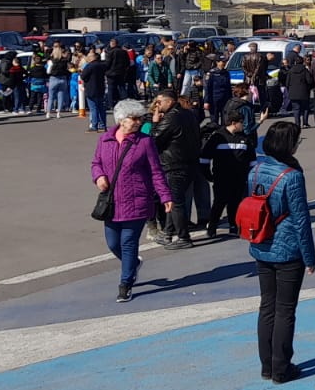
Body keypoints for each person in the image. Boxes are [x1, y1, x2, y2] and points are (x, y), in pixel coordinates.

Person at [248, 119, 315, 381]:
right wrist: (309, 257)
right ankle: (281, 366)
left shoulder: (255, 170)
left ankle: (267, 365)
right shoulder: (292, 176)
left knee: (267, 305)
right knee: (285, 309)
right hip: (287, 249)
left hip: (261, 244)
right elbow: (301, 220)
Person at [91, 99, 173, 303]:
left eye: (139, 118)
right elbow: (96, 163)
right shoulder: (105, 140)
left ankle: (125, 283)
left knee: (128, 243)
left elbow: (156, 171)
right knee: (113, 243)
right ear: (121, 120)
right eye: (133, 119)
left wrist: (165, 195)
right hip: (112, 202)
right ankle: (133, 264)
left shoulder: (144, 142)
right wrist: (99, 176)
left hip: (137, 201)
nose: (138, 122)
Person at [150, 90, 202, 250]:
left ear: (170, 101)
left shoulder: (171, 117)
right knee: (174, 200)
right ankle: (168, 232)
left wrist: (155, 123)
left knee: (175, 201)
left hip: (174, 164)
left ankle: (183, 237)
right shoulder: (189, 114)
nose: (157, 105)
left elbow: (154, 140)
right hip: (189, 162)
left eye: (160, 102)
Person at [201, 114, 254, 238]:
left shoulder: (244, 138)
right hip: (221, 178)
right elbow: (205, 158)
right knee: (219, 202)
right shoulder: (218, 137)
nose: (243, 125)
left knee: (235, 202)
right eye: (241, 122)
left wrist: (250, 176)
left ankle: (233, 226)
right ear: (234, 123)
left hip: (239, 178)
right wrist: (208, 175)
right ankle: (212, 226)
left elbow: (252, 159)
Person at [81, 49, 109, 131]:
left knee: (93, 108)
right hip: (100, 88)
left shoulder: (89, 66)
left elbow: (83, 76)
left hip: (91, 88)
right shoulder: (102, 65)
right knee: (101, 108)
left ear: (91, 58)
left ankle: (94, 126)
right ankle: (103, 125)